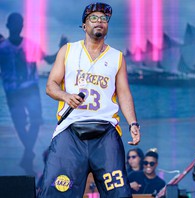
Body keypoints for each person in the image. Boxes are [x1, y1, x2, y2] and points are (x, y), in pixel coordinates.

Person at [38, 2, 140, 197]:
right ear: (84, 25)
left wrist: (133, 123)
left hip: (105, 133)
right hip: (70, 130)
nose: (99, 21)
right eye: (93, 18)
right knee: (57, 191)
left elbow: (124, 93)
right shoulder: (68, 51)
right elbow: (50, 85)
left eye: (104, 18)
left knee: (118, 193)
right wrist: (65, 96)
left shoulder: (117, 57)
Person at [0, 12, 67, 175]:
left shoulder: (30, 45)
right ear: (8, 26)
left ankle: (27, 154)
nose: (17, 26)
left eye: (20, 23)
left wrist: (61, 48)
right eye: (14, 23)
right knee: (20, 124)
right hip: (12, 91)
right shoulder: (2, 48)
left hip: (30, 88)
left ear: (22, 26)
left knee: (36, 121)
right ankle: (28, 154)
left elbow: (49, 60)